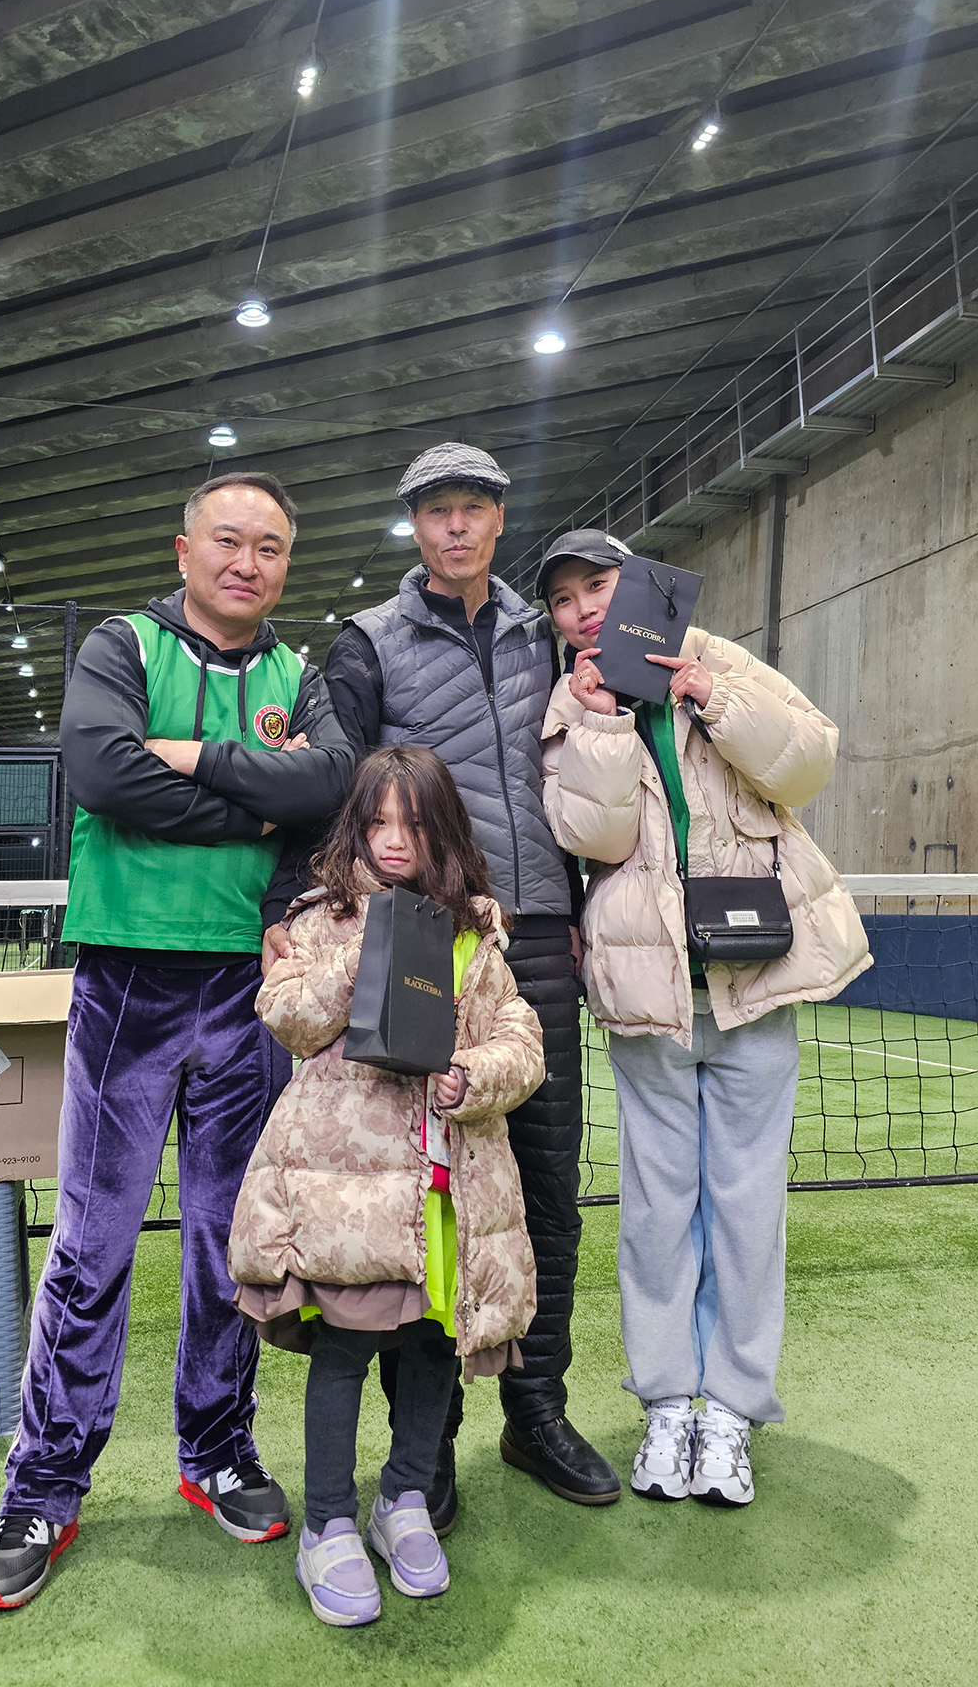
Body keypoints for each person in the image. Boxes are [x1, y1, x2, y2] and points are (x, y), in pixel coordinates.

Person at [0, 471, 355, 1610]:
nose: (248, 562)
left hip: (252, 983)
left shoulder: (299, 676)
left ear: (286, 563)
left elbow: (334, 783)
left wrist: (190, 765)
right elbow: (101, 770)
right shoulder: (122, 647)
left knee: (230, 1245)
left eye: (270, 547)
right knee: (91, 1242)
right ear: (185, 550)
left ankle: (217, 1448)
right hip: (127, 982)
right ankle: (44, 1483)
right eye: (228, 540)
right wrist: (260, 805)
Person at [265, 442, 620, 1517]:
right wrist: (290, 906)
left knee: (543, 1189)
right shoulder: (367, 641)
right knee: (420, 1195)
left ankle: (537, 1410)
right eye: (435, 511)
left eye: (473, 508)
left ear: (499, 518)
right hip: (421, 943)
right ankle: (430, 1448)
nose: (455, 526)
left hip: (538, 934)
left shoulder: (542, 633)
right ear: (414, 526)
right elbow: (334, 782)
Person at [537, 529, 871, 1508]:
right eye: (564, 599)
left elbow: (807, 763)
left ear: (638, 584)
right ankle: (667, 1404)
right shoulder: (571, 701)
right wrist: (603, 725)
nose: (584, 610)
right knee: (655, 1215)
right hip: (650, 1000)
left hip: (753, 983)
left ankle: (731, 1409)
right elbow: (590, 835)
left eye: (598, 585)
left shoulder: (720, 660)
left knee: (747, 1207)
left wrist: (711, 696)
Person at [232, 744, 545, 1625]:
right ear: (356, 829)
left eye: (413, 823)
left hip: (451, 1189)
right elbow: (285, 1014)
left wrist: (472, 1077)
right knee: (343, 1351)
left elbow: (521, 1039)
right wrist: (362, 954)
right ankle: (327, 1523)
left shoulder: (476, 933)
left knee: (437, 1348)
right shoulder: (318, 920)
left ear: (444, 830)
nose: (394, 840)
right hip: (349, 1199)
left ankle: (403, 1499)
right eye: (377, 822)